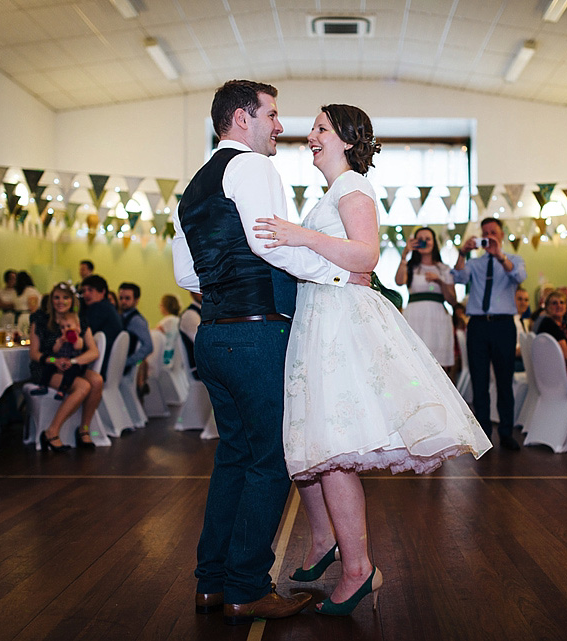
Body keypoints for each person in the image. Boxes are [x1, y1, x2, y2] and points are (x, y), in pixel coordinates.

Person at [253, 103, 491, 617]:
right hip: (323, 313)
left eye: (320, 129)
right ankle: (327, 545)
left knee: (334, 447)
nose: (309, 137)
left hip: (339, 320)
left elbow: (366, 256)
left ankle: (359, 570)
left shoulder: (352, 187)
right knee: (318, 443)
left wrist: (299, 235)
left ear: (344, 139)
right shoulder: (335, 191)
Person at [171, 80, 361, 625]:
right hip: (256, 337)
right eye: (272, 115)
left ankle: (212, 582)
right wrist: (340, 273)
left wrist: (228, 293)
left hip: (213, 337)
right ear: (240, 118)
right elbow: (270, 242)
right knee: (270, 461)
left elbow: (186, 273)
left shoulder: (194, 187)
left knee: (233, 456)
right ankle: (247, 586)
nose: (280, 127)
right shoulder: (253, 167)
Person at [451, 217, 527, 451]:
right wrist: (462, 253)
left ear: (502, 235)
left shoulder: (513, 260)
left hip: (504, 325)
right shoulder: (475, 263)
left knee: (505, 380)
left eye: (493, 232)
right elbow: (457, 277)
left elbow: (519, 277)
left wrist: (500, 256)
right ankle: (483, 433)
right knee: (479, 380)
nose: (489, 237)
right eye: (485, 233)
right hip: (478, 326)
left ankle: (506, 431)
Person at [28, 282, 103, 450]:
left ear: (72, 300)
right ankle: (51, 432)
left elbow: (93, 352)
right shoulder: (40, 319)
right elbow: (34, 353)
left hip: (73, 366)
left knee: (97, 381)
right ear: (51, 299)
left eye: (65, 297)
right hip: (47, 368)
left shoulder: (78, 320)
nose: (60, 301)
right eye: (56, 297)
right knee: (83, 386)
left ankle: (84, 429)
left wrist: (74, 361)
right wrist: (55, 361)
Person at [394, 226, 457, 373]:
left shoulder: (444, 268)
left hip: (438, 318)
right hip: (415, 317)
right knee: (414, 362)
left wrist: (440, 281)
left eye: (427, 239)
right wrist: (404, 256)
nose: (424, 242)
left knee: (438, 365)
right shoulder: (411, 267)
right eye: (420, 239)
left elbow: (452, 300)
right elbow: (399, 281)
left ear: (434, 242)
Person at [30, 311, 87, 400]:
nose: (65, 329)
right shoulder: (59, 339)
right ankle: (43, 386)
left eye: (69, 326)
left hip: (71, 362)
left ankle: (62, 390)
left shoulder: (79, 339)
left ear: (77, 327)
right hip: (58, 360)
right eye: (62, 327)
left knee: (70, 374)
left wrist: (73, 338)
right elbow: (54, 350)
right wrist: (60, 342)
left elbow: (78, 347)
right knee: (48, 368)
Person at [79, 275, 122, 376]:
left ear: (102, 291)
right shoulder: (109, 308)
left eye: (90, 290)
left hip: (99, 367)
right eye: (83, 291)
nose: (86, 294)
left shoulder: (98, 309)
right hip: (109, 368)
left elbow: (82, 335)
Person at [117, 283, 154, 384]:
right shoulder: (121, 316)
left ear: (136, 300)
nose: (123, 301)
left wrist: (126, 362)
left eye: (127, 298)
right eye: (121, 298)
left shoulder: (136, 320)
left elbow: (148, 346)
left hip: (122, 369)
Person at [536, 290, 567, 365]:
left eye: (562, 302)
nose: (559, 306)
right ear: (547, 307)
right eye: (554, 303)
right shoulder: (548, 324)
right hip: (557, 369)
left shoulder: (563, 324)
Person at [156, 294, 182, 366]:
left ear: (165, 306)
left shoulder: (168, 320)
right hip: (175, 355)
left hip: (166, 354)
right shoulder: (178, 320)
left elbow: (155, 335)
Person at [13, 271, 41, 335]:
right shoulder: (27, 291)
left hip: (22, 317)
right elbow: (33, 308)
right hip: (23, 317)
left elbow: (33, 308)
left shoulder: (27, 291)